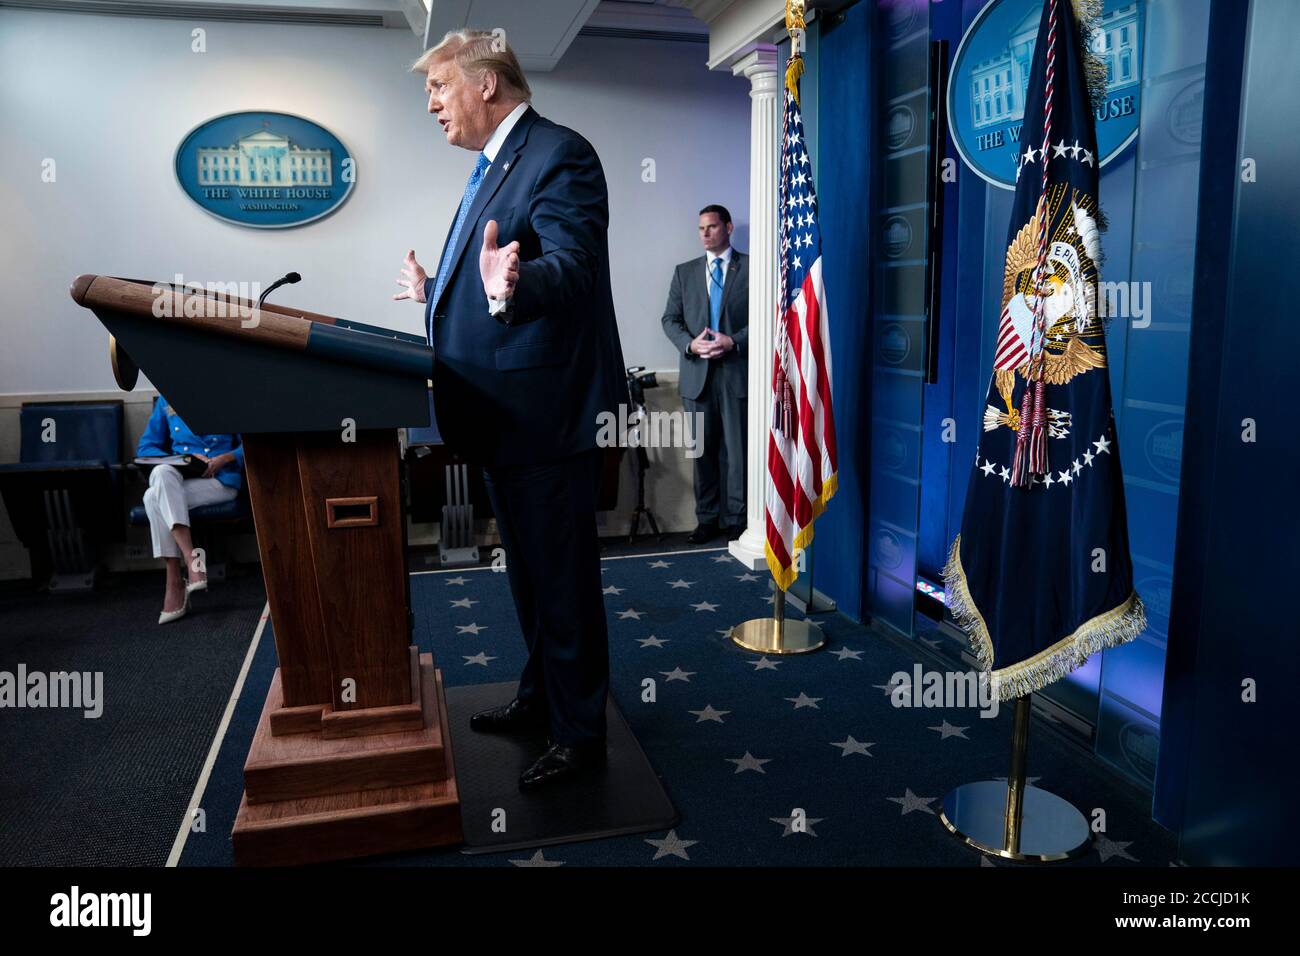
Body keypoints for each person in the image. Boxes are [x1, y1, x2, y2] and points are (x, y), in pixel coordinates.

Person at [393, 29, 628, 791]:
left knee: (561, 581)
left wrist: (512, 286)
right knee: (528, 577)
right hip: (503, 417)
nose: (430, 103)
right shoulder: (493, 167)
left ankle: (580, 734)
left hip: (547, 416)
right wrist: (440, 297)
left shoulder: (559, 152)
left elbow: (571, 267)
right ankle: (541, 698)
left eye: (438, 87)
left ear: (487, 83)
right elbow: (491, 273)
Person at [661, 205, 749, 544]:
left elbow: (770, 318)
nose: (705, 234)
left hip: (736, 373)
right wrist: (690, 345)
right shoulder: (684, 272)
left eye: (711, 227)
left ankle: (738, 520)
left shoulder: (753, 268)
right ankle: (707, 519)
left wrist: (734, 341)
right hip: (697, 375)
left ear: (728, 227)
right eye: (700, 229)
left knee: (737, 453)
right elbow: (670, 319)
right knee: (703, 452)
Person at [136, 396, 243, 624]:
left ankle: (174, 579)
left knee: (152, 497)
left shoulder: (230, 391)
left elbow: (250, 444)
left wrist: (224, 458)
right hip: (181, 479)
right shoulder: (166, 398)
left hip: (220, 480)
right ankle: (190, 556)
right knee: (162, 473)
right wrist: (184, 459)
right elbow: (146, 447)